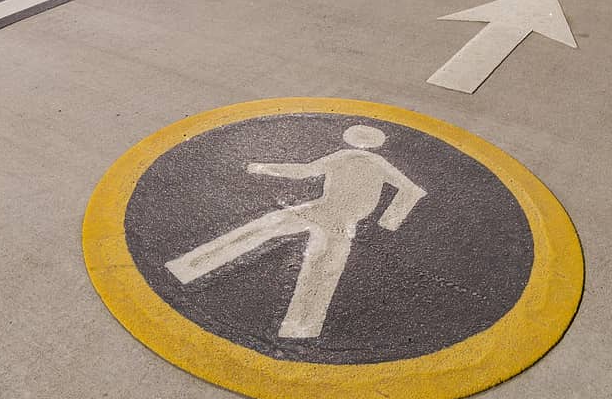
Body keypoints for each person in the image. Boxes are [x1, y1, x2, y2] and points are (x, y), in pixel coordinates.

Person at [165, 124, 426, 339]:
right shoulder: (360, 160)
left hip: (333, 214)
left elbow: (305, 172)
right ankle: (301, 327)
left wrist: (389, 221)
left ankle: (192, 265)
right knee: (320, 262)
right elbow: (412, 190)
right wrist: (386, 221)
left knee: (282, 237)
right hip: (334, 213)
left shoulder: (353, 159)